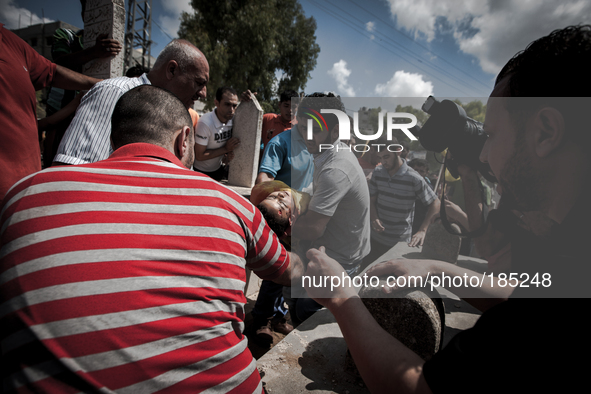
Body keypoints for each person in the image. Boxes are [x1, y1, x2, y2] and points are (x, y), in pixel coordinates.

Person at [303, 25, 591, 393]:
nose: (485, 155)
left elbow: (422, 388)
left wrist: (342, 299)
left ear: (546, 131)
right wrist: (434, 269)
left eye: (492, 135)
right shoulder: (573, 248)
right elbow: (523, 293)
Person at [0, 85, 304, 393]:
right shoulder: (229, 203)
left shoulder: (26, 194)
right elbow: (287, 269)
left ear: (113, 139)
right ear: (184, 140)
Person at [53, 39, 208, 166]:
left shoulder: (180, 114)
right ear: (172, 70)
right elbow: (73, 171)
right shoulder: (113, 93)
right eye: (199, 82)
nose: (203, 93)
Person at [290, 92, 371, 324]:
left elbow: (313, 228)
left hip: (341, 259)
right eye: (303, 127)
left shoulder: (336, 168)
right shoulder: (327, 153)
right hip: (332, 248)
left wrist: (277, 227)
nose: (307, 136)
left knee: (305, 312)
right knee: (298, 304)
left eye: (315, 130)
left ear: (335, 131)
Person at [0, 23, 100, 199]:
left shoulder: (9, 41)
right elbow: (49, 123)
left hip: (26, 189)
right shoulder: (65, 36)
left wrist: (102, 86)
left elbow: (51, 72)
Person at [43, 0, 122, 168]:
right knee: (55, 163)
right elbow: (58, 65)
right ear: (84, 13)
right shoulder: (66, 36)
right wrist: (93, 52)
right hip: (60, 114)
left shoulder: (112, 44)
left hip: (90, 114)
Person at [363, 140, 440, 269]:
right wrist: (374, 217)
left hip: (398, 243)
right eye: (380, 158)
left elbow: (435, 203)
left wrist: (422, 230)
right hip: (375, 239)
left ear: (398, 151)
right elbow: (371, 199)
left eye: (386, 157)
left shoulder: (413, 177)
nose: (383, 161)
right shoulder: (378, 172)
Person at [193, 86, 240, 181]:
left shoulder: (233, 120)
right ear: (216, 103)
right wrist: (225, 149)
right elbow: (199, 156)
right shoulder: (205, 123)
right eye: (227, 104)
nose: (231, 109)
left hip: (218, 171)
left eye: (234, 106)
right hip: (199, 172)